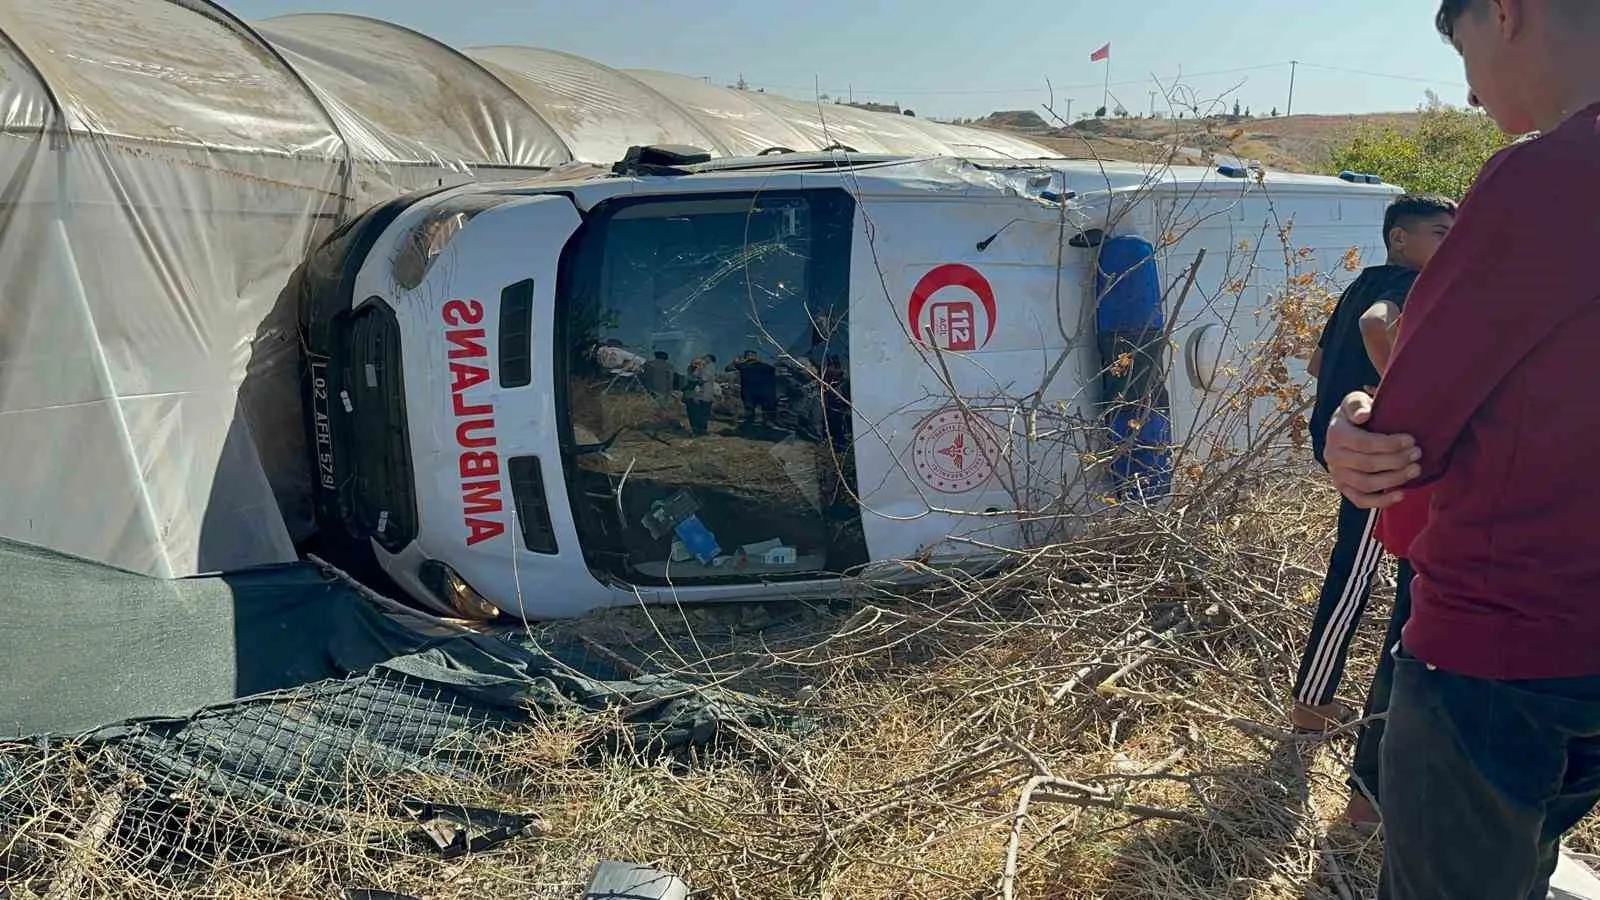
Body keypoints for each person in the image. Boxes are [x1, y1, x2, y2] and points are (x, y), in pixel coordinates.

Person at [1323, 2, 1600, 896]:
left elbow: (1403, 443)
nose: (1472, 92)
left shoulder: (1545, 179)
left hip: (1502, 647)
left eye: (1462, 48)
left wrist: (1356, 423)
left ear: (1506, 13)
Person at [1289, 194, 1456, 734]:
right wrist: (1399, 389)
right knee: (1355, 572)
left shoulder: (1360, 281)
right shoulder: (1408, 285)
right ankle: (1311, 704)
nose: (1451, 243)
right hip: (1376, 457)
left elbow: (1317, 364)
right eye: (1440, 233)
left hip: (1346, 447)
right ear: (1399, 239)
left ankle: (1328, 700)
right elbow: (1373, 323)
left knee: (1366, 566)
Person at [726, 350, 778, 428]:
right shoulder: (745, 365)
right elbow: (728, 368)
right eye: (749, 355)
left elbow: (728, 368)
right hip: (754, 392)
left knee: (757, 410)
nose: (750, 357)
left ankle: (758, 426)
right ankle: (757, 426)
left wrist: (735, 363)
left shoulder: (748, 366)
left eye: (752, 355)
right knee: (753, 410)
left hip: (755, 392)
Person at [682, 357, 719, 436]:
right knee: (693, 415)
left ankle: (702, 431)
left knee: (703, 415)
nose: (696, 365)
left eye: (699, 363)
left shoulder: (708, 370)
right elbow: (690, 379)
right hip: (693, 397)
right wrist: (693, 368)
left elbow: (703, 379)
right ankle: (696, 431)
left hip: (705, 396)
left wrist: (699, 369)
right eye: (695, 363)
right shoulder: (690, 370)